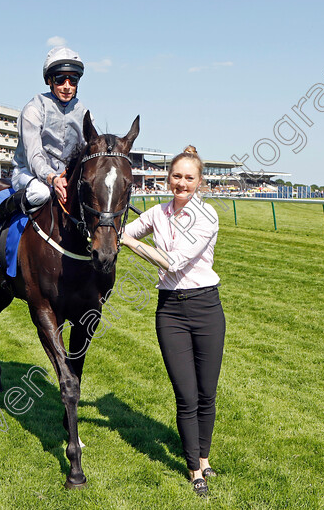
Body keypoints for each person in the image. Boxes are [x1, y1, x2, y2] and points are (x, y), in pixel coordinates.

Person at [120, 146, 225, 498]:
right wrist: (120, 233)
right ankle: (194, 468)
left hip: (207, 308)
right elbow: (122, 229)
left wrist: (129, 243)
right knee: (185, 395)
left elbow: (174, 263)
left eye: (189, 178)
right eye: (176, 176)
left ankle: (205, 456)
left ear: (200, 182)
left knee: (206, 393)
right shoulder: (157, 213)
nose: (181, 182)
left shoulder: (208, 216)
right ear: (168, 178)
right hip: (171, 312)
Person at [0, 46, 90, 254]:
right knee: (40, 193)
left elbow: (90, 146)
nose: (67, 86)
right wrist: (52, 178)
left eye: (72, 80)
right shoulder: (33, 108)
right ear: (49, 80)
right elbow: (34, 155)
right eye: (60, 80)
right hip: (29, 172)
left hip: (63, 176)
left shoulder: (82, 111)